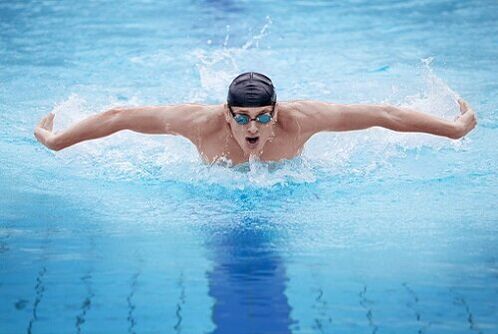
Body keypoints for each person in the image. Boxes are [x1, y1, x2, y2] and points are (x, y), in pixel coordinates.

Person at [34, 72, 477, 165]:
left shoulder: (301, 120)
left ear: (277, 113)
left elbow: (384, 115)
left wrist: (454, 130)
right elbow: (119, 117)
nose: (252, 128)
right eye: (242, 118)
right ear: (225, 116)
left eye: (262, 118)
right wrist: (56, 141)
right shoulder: (198, 123)